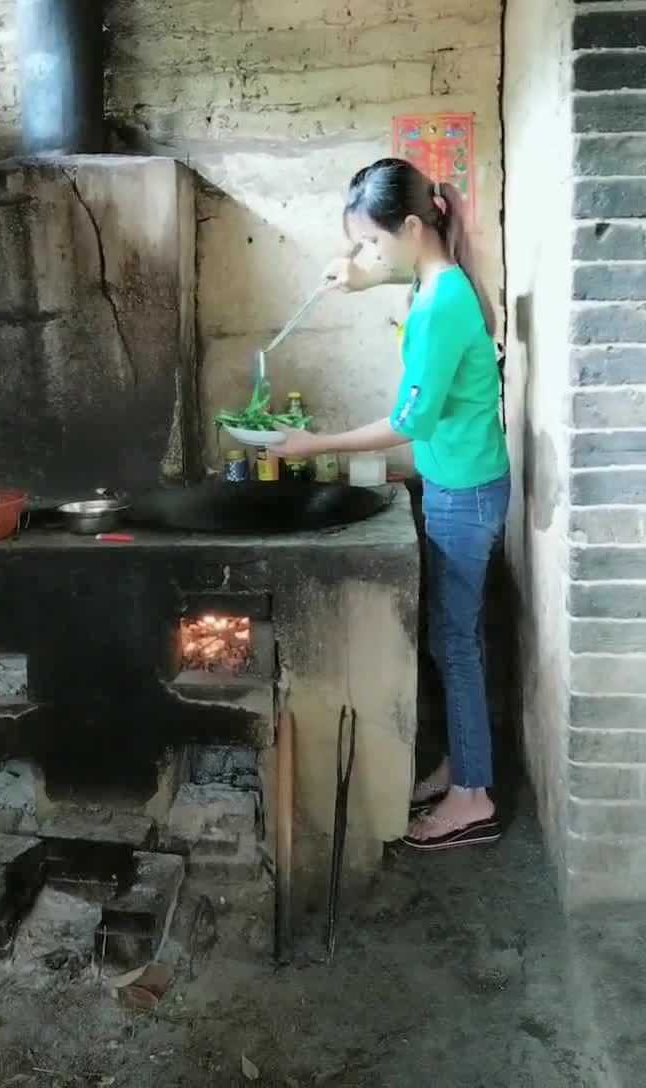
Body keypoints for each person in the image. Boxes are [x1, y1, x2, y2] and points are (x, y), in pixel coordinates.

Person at [272, 158, 510, 852]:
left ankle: (473, 796)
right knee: (453, 639)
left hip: (463, 495)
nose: (366, 257)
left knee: (455, 646)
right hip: (461, 485)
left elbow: (409, 422)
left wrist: (315, 443)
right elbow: (395, 270)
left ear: (412, 226)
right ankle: (466, 766)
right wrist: (356, 267)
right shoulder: (440, 281)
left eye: (373, 242)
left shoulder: (442, 305)